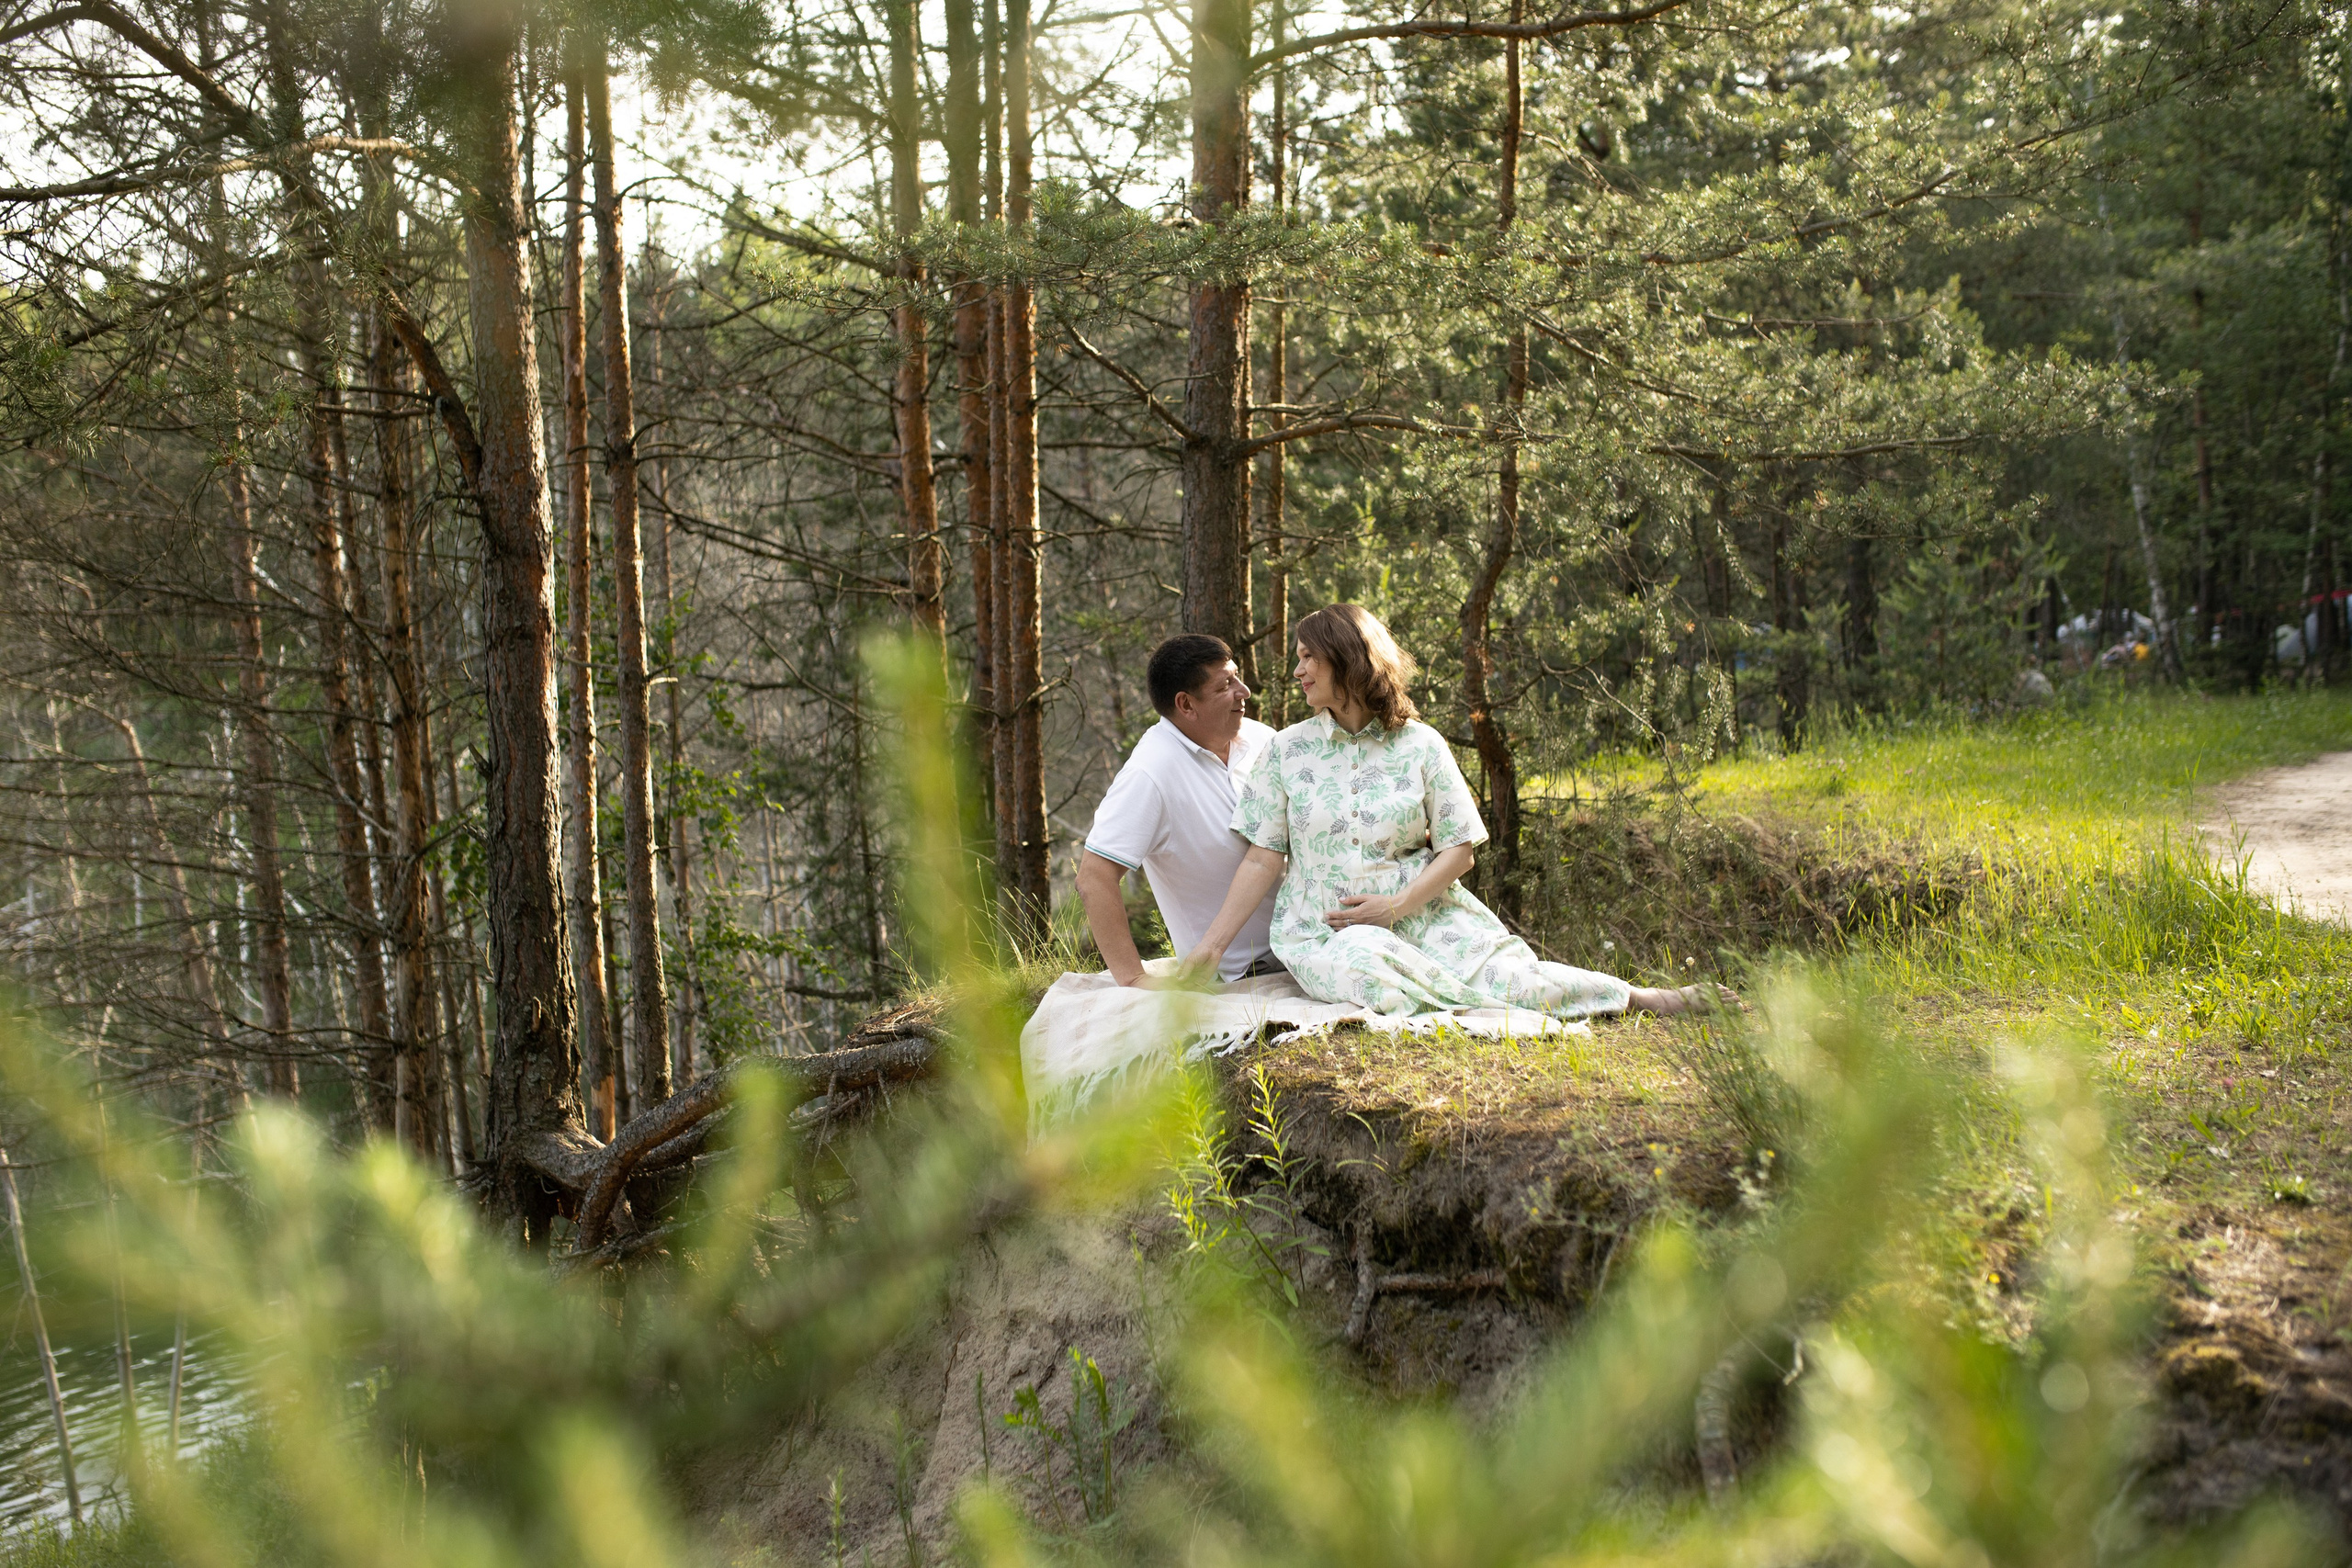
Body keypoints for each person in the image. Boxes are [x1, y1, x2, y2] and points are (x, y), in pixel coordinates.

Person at [1180, 604, 1713, 1018]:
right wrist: (1209, 950)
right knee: (1372, 968)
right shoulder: (1286, 750)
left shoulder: (1420, 744)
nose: (1297, 670)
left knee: (1510, 975)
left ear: (1346, 658)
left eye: (1307, 657)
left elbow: (1459, 851)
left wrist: (1395, 907)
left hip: (1425, 911)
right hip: (1328, 930)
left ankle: (1640, 999)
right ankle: (1479, 1006)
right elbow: (1260, 860)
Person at [1076, 635, 1282, 987]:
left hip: (1309, 945)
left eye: (1237, 676)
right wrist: (1134, 979)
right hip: (1248, 974)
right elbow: (1094, 878)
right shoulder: (1151, 773)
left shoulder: (1261, 739)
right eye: (1226, 685)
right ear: (1186, 705)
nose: (1244, 691)